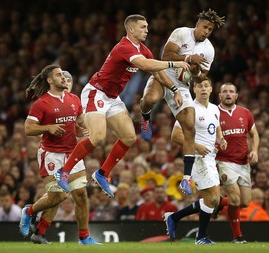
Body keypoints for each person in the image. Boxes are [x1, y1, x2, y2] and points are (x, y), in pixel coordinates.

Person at [54, 14, 190, 198]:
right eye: (143, 27)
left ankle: (102, 174)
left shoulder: (142, 49)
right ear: (131, 29)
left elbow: (155, 71)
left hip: (112, 97)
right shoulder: (124, 47)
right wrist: (176, 63)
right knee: (99, 137)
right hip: (96, 92)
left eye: (147, 26)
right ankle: (64, 171)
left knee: (129, 137)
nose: (147, 30)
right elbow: (144, 64)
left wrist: (174, 89)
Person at [140, 9, 225, 195]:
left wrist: (195, 71)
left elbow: (202, 76)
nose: (206, 31)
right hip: (163, 74)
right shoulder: (181, 33)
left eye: (210, 29)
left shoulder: (209, 50)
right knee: (150, 100)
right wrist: (188, 58)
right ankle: (145, 119)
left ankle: (186, 179)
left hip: (182, 85)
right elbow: (166, 56)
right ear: (198, 23)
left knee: (189, 126)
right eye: (205, 27)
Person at [19, 66, 99, 245]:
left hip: (72, 153)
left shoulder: (74, 99)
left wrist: (88, 129)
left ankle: (84, 237)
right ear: (49, 80)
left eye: (63, 75)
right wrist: (48, 127)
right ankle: (30, 212)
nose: (63, 78)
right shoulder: (42, 103)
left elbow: (78, 122)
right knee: (59, 196)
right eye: (58, 75)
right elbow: (28, 128)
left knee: (81, 195)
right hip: (51, 154)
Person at [164, 79, 227, 244]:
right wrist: (198, 146)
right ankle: (201, 237)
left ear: (212, 88)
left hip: (210, 158)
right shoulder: (189, 109)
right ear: (194, 89)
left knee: (214, 199)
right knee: (213, 198)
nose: (204, 89)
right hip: (197, 159)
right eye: (200, 86)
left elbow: (217, 128)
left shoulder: (214, 108)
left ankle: (174, 218)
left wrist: (221, 139)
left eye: (207, 86)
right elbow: (176, 136)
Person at [216, 82, 259, 243]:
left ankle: (219, 202)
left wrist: (254, 150)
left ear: (236, 96)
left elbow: (254, 134)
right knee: (235, 199)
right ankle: (237, 236)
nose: (228, 94)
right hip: (224, 160)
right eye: (225, 92)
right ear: (220, 96)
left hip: (243, 162)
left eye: (231, 91)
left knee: (245, 202)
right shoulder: (214, 113)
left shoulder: (245, 113)